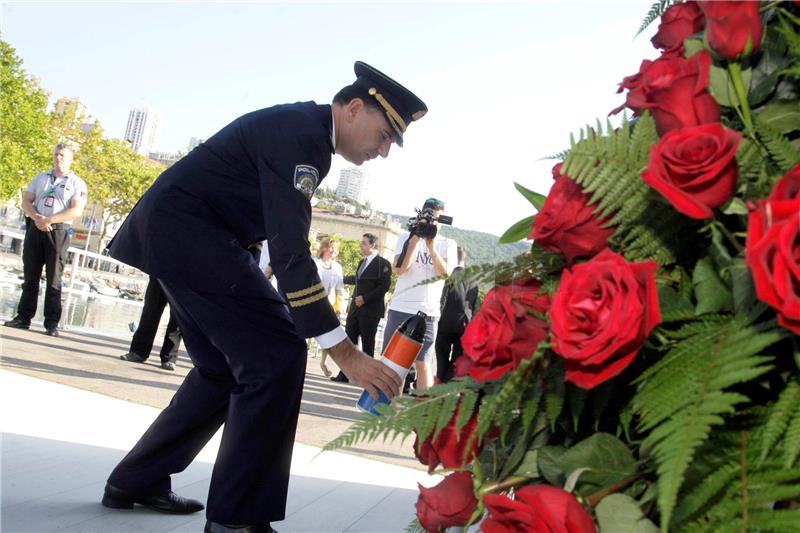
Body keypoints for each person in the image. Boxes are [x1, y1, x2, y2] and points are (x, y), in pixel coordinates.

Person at [100, 61, 426, 533]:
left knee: (221, 370)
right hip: (190, 234)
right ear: (355, 108)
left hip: (180, 233)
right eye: (383, 135)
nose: (384, 151)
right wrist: (346, 354)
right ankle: (238, 519)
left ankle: (135, 480)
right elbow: (292, 253)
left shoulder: (306, 133)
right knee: (278, 352)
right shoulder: (303, 139)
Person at [4, 144, 88, 337]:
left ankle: (51, 323)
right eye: (56, 154)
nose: (59, 158)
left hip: (57, 231)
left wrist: (50, 220)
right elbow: (26, 201)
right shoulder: (41, 178)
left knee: (54, 279)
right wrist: (37, 218)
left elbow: (76, 210)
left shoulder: (77, 183)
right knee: (30, 276)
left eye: (63, 155)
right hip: (36, 228)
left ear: (70, 159)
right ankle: (23, 317)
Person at [383, 198, 457, 391]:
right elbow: (400, 269)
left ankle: (424, 412)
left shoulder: (448, 244)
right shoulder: (405, 238)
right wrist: (415, 239)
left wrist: (432, 247)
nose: (434, 223)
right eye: (430, 217)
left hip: (428, 311)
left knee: (423, 363)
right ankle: (392, 409)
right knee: (394, 362)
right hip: (401, 307)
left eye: (437, 219)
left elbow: (445, 273)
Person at [328, 233, 392, 382]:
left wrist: (365, 299)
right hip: (355, 310)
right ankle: (345, 374)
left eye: (364, 243)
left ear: (373, 245)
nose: (361, 246)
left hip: (370, 310)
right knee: (349, 342)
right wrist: (337, 277)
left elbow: (384, 287)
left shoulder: (383, 263)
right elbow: (357, 280)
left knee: (368, 344)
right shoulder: (362, 263)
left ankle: (368, 377)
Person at [435, 247, 479, 383]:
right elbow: (474, 304)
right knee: (457, 358)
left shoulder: (449, 274)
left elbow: (442, 299)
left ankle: (439, 381)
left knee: (441, 355)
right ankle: (449, 383)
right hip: (464, 325)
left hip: (445, 323)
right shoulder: (474, 279)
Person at [120, 276, 183, 371]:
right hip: (159, 270)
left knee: (177, 318)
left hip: (184, 276)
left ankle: (169, 357)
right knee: (150, 311)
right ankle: (138, 352)